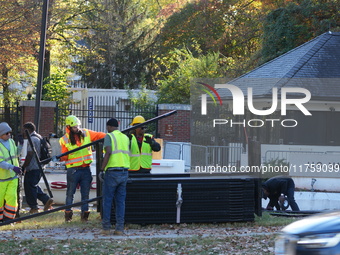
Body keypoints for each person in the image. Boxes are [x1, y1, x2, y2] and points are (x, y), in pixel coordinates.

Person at [59, 115, 106, 222]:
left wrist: (110, 135)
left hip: (85, 169)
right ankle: (68, 216)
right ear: (68, 127)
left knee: (86, 194)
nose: (77, 128)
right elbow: (64, 156)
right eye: (74, 127)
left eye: (78, 126)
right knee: (70, 193)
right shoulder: (64, 139)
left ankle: (84, 217)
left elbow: (99, 135)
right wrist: (63, 157)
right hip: (73, 170)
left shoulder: (86, 133)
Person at [101, 118, 130, 235]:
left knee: (107, 200)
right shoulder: (125, 137)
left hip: (112, 172)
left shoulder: (109, 136)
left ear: (109, 127)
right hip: (124, 172)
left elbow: (108, 152)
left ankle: (106, 228)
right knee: (120, 202)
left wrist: (101, 169)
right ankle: (119, 229)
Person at [21, 122, 54, 214]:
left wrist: (24, 166)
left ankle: (34, 207)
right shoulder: (39, 137)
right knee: (32, 185)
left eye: (23, 129)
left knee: (29, 187)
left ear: (27, 130)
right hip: (39, 166)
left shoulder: (32, 139)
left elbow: (30, 154)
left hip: (33, 167)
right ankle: (46, 199)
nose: (22, 132)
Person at [0, 122, 22, 222]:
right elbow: (0, 162)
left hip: (13, 177)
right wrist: (12, 167)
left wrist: (21, 145)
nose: (9, 135)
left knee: (12, 198)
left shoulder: (11, 141)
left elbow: (16, 153)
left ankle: (8, 220)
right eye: (6, 133)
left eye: (10, 133)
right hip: (2, 178)